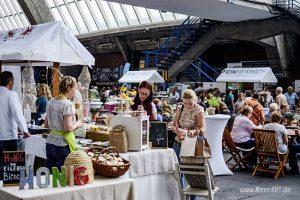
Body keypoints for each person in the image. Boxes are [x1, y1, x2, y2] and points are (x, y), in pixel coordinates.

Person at [45, 76, 83, 170]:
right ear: (69, 88)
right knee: (62, 176)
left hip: (50, 143)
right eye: (75, 89)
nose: (75, 91)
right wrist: (78, 123)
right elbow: (68, 128)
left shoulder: (50, 102)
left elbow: (46, 125)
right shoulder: (67, 104)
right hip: (62, 145)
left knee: (51, 175)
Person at [0, 71, 30, 180]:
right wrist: (25, 130)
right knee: (10, 168)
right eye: (13, 81)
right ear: (10, 80)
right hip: (8, 137)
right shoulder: (11, 94)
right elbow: (18, 114)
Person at [172, 89, 206, 158]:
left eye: (190, 103)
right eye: (185, 103)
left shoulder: (199, 109)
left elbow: (203, 128)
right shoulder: (180, 108)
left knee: (189, 167)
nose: (187, 106)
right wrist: (177, 131)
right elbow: (174, 125)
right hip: (178, 142)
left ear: (195, 100)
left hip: (192, 144)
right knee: (176, 166)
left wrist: (192, 132)